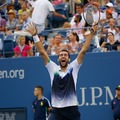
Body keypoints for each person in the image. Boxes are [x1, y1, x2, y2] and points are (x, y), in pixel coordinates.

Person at [26, 22, 98, 120]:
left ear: (69, 59)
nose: (63, 56)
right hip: (56, 111)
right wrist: (35, 36)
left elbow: (83, 50)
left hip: (71, 110)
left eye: (65, 55)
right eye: (61, 55)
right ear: (58, 59)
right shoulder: (53, 68)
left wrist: (91, 34)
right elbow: (42, 52)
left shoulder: (74, 67)